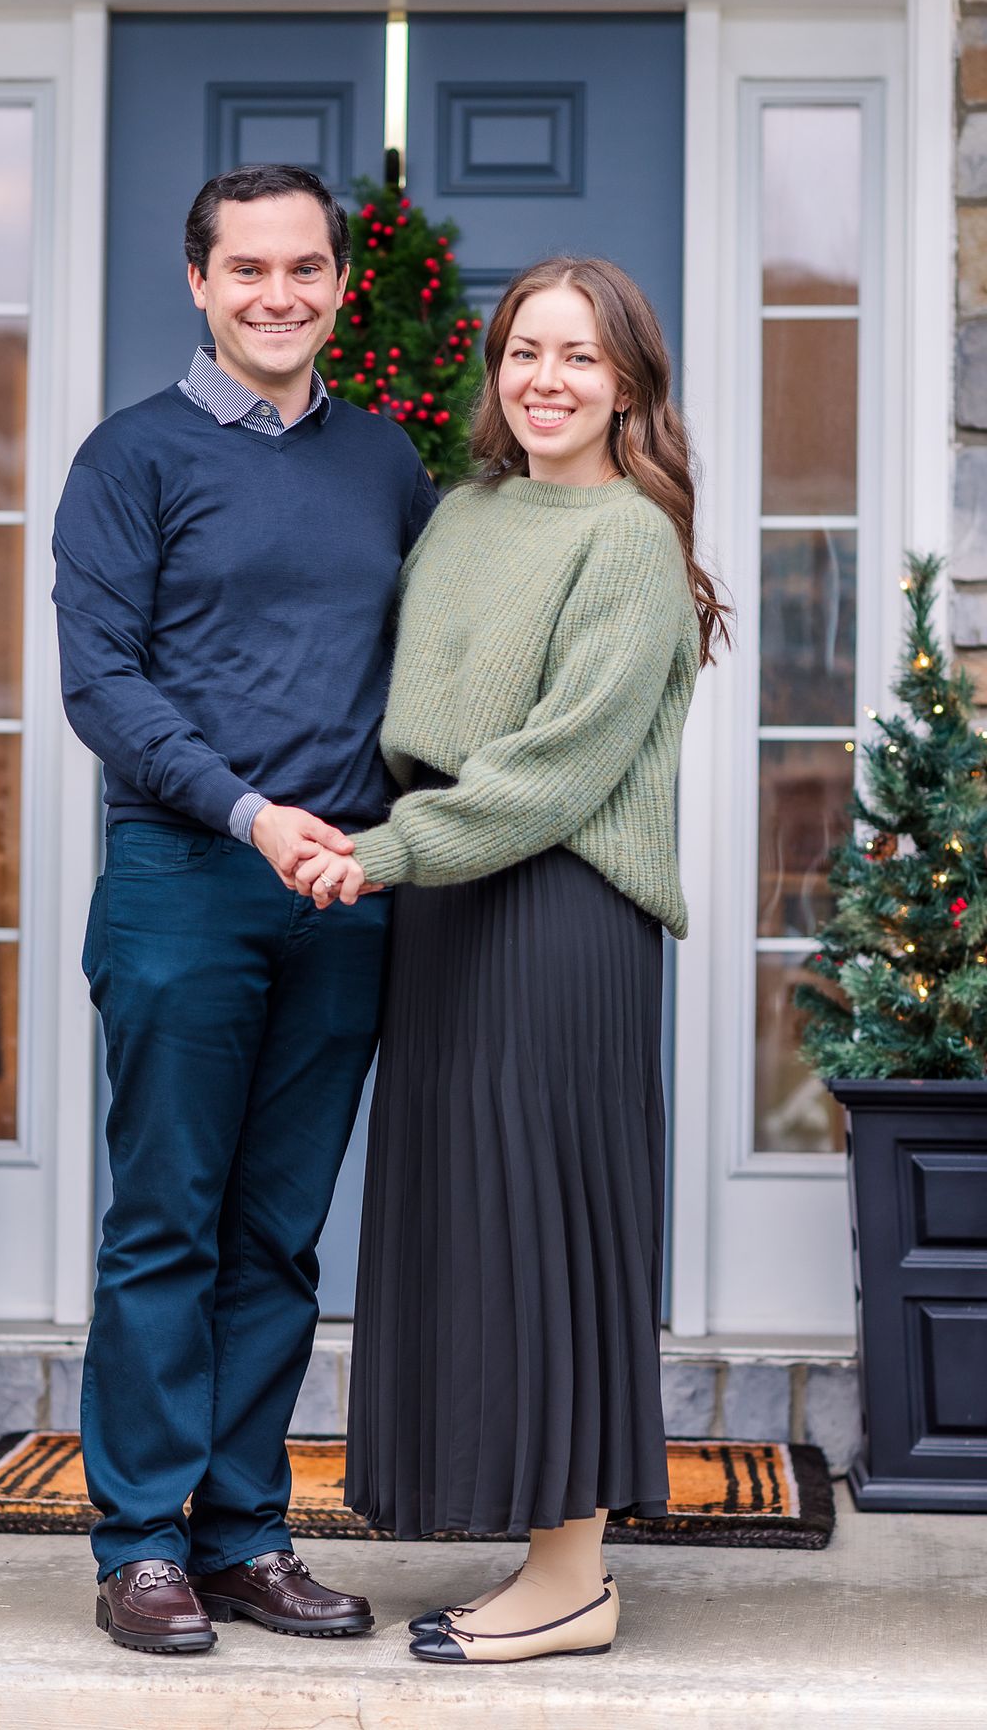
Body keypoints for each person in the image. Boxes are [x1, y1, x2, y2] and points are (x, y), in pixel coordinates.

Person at [294, 256, 731, 1665]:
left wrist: (388, 851)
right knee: (463, 1224)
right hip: (443, 903)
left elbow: (557, 769)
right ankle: (518, 1543)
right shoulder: (465, 514)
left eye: (581, 357)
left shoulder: (631, 539)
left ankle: (572, 1579)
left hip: (557, 910)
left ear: (631, 384)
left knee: (550, 1227)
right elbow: (403, 709)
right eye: (525, 352)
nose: (548, 379)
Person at [52, 163, 436, 1655]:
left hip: (343, 893)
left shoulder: (384, 462)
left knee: (277, 1236)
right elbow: (103, 684)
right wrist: (247, 812)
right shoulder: (131, 459)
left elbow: (431, 668)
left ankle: (243, 1537)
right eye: (249, 269)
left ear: (340, 282)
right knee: (167, 1221)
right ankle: (142, 1546)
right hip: (186, 881)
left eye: (305, 268)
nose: (280, 294)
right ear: (199, 283)